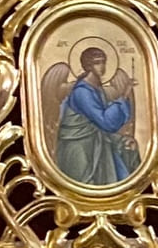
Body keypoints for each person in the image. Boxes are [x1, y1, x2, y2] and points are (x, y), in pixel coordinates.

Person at [52, 45, 139, 188]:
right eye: (97, 63)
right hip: (79, 149)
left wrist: (121, 140)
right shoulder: (82, 92)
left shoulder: (97, 89)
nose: (102, 67)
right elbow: (105, 122)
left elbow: (98, 126)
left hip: (95, 143)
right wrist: (124, 96)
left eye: (103, 62)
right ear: (88, 66)